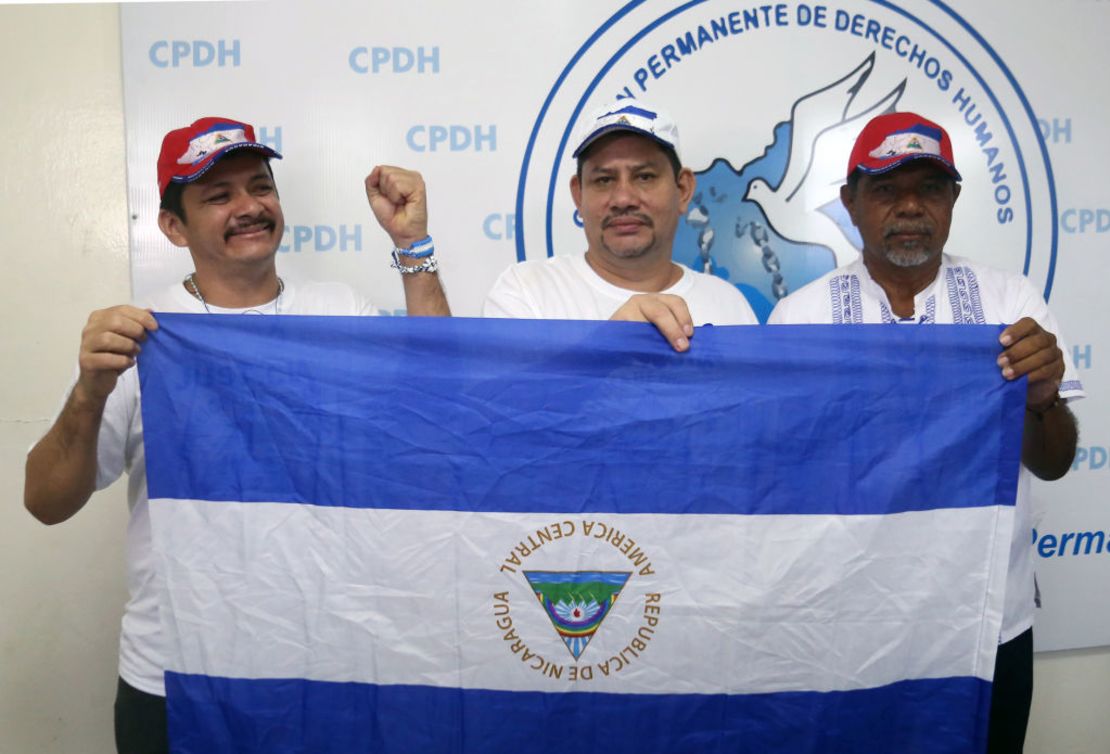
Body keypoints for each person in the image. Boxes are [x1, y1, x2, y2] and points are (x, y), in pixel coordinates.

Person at [23, 116, 449, 754]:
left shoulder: (341, 313)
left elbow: (440, 406)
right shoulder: (143, 336)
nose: (249, 207)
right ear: (173, 226)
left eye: (260, 187)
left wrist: (413, 245)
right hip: (176, 675)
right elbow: (45, 502)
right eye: (218, 196)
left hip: (327, 664)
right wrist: (90, 392)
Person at [768, 111, 1083, 753]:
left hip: (987, 624)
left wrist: (1043, 401)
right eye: (886, 189)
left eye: (929, 189)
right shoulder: (799, 320)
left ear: (953, 200)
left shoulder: (1009, 303)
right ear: (851, 203)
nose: (910, 208)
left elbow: (1053, 463)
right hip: (848, 623)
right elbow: (782, 481)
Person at [484, 101, 757, 342]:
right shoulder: (526, 292)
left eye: (645, 176)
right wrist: (610, 344)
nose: (623, 198)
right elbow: (507, 400)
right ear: (578, 195)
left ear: (683, 190)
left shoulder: (729, 305)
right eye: (604, 180)